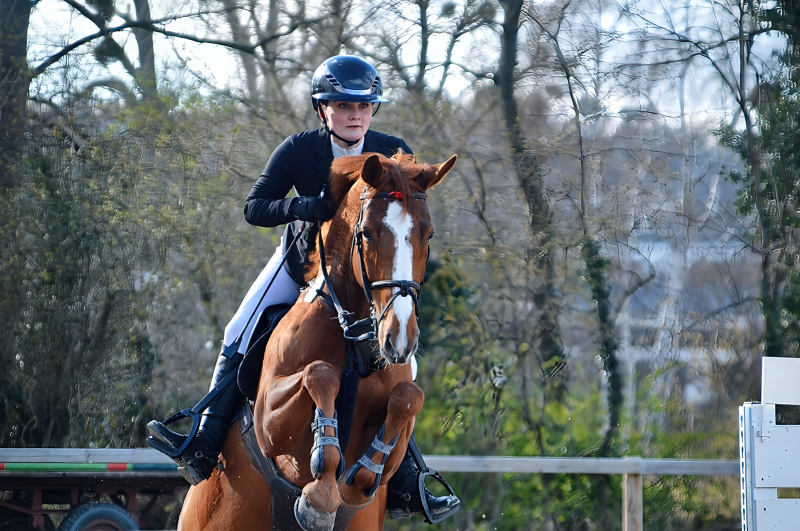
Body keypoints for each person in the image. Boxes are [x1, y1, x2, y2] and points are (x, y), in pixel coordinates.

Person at [147, 55, 460, 524]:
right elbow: (255, 207)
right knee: (238, 327)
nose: (355, 115)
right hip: (300, 269)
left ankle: (408, 477)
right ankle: (203, 438)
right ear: (322, 110)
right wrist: (302, 207)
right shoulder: (298, 150)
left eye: (364, 106)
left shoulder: (391, 150)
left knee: (404, 360)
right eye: (343, 105)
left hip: (370, 280)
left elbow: (407, 215)